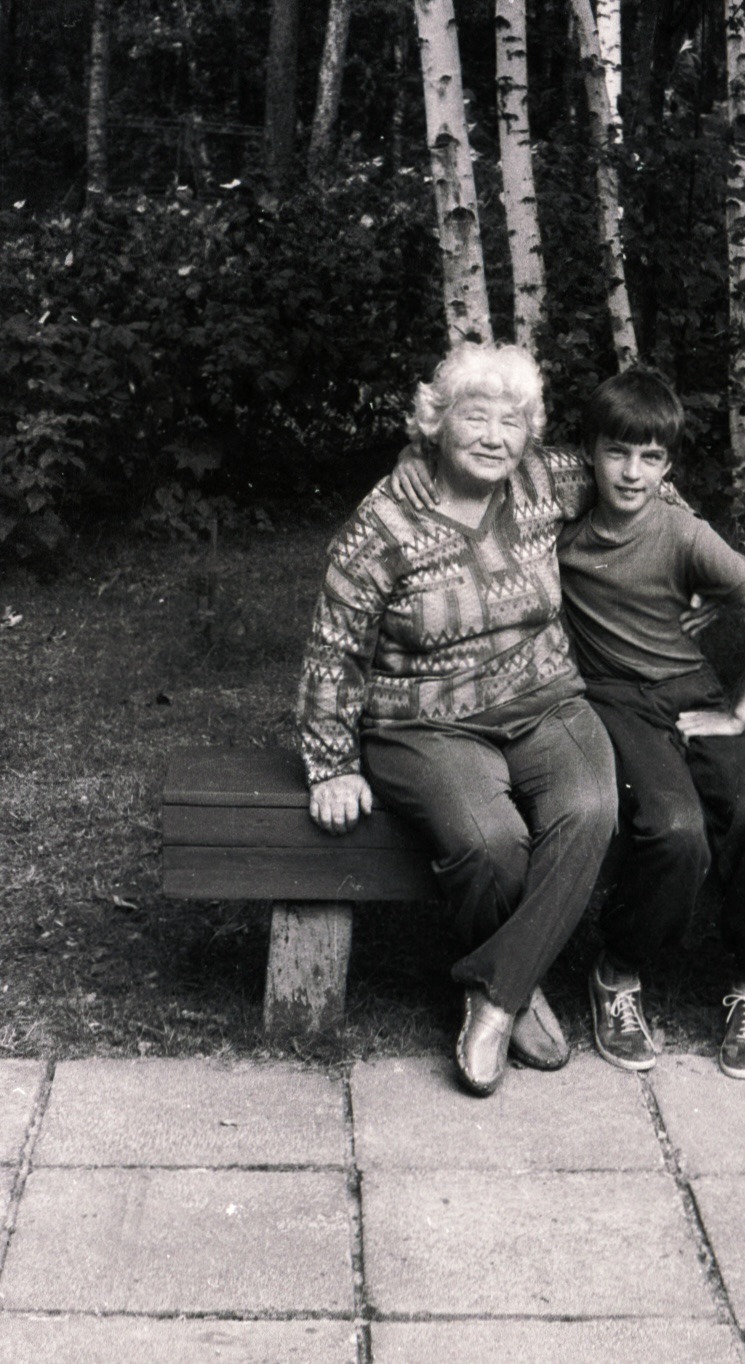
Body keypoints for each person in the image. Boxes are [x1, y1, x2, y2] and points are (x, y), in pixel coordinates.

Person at [296, 341, 617, 1098]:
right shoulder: (388, 517)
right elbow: (334, 644)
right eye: (475, 418)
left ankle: (494, 996)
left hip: (544, 701)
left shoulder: (542, 481)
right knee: (488, 839)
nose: (494, 437)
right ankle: (520, 990)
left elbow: (630, 477)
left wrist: (692, 554)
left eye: (512, 423)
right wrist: (332, 763)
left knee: (591, 807)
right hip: (424, 721)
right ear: (436, 423)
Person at [558, 368, 745, 1081]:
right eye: (616, 452)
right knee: (672, 826)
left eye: (651, 457)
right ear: (590, 452)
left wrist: (740, 711)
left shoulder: (682, 531)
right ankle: (619, 972)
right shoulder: (559, 533)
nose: (631, 472)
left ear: (668, 466)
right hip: (613, 700)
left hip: (691, 693)